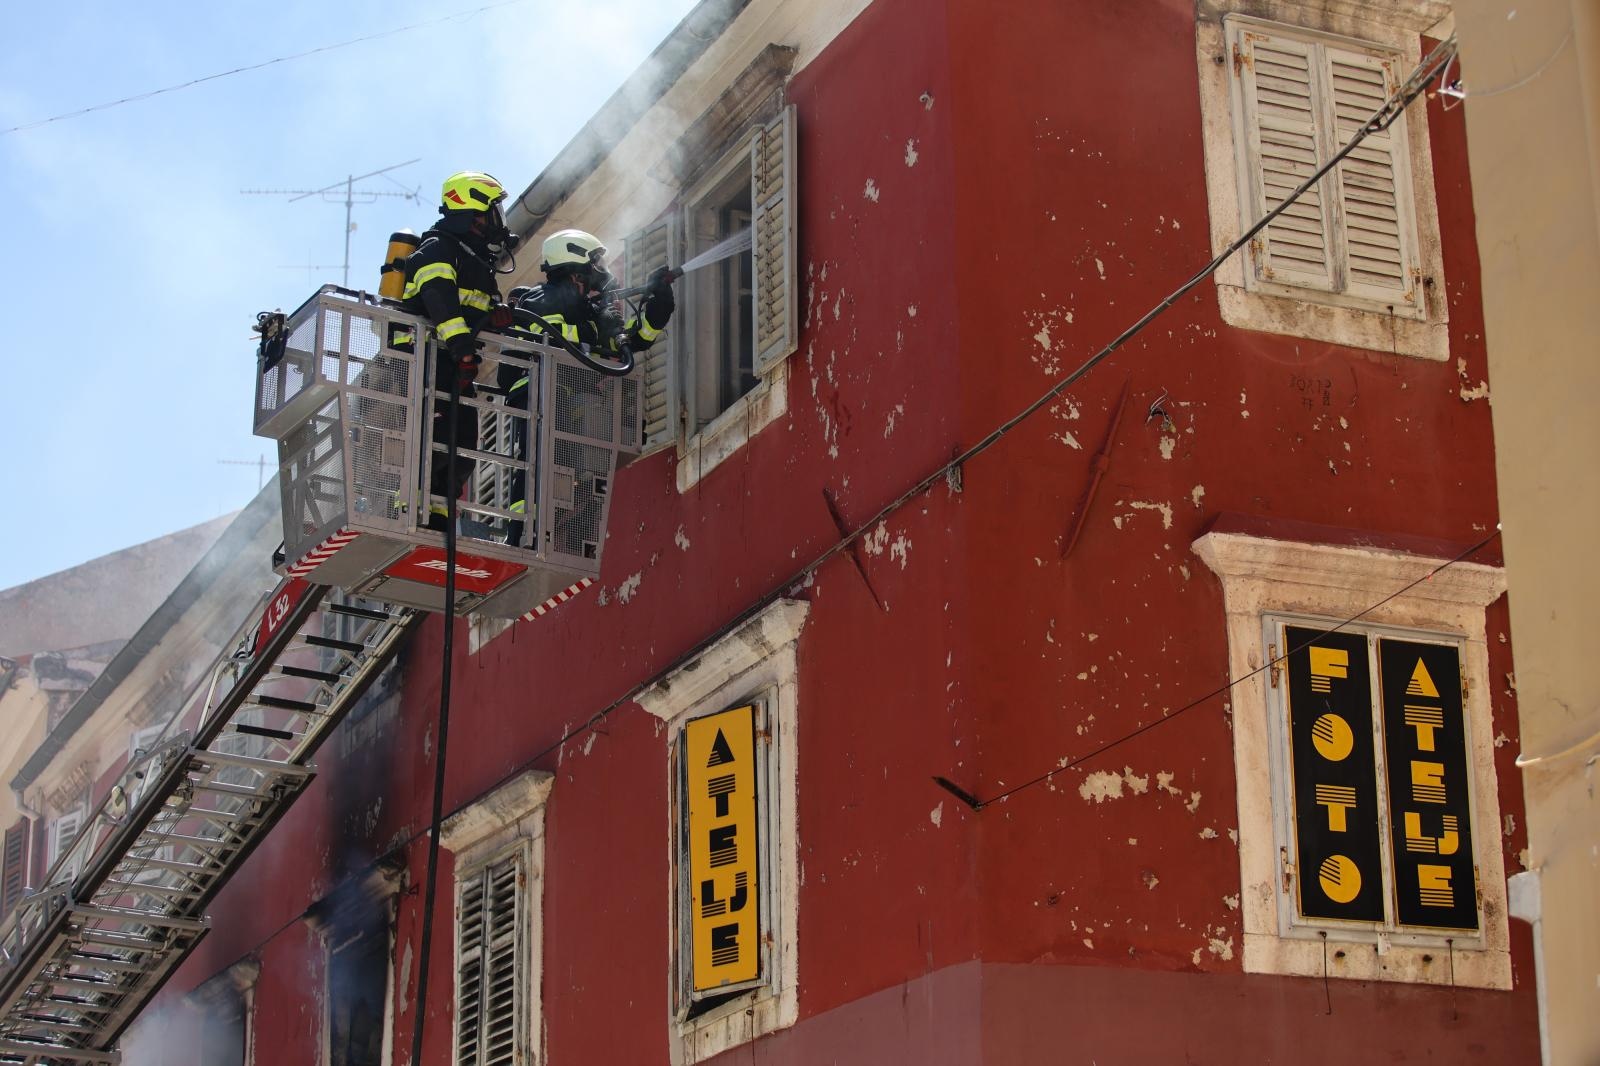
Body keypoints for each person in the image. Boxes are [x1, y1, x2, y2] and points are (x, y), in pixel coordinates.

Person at [496, 229, 675, 545]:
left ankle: (564, 525)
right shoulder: (542, 299)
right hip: (538, 389)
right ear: (574, 262)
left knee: (574, 465)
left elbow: (629, 346)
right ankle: (522, 532)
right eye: (595, 262)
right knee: (538, 459)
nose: (601, 270)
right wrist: (604, 312)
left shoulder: (588, 311)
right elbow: (572, 339)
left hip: (569, 392)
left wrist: (658, 308)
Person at [397, 171, 518, 530]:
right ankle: (406, 510)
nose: (498, 219)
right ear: (473, 212)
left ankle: (440, 516)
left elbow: (475, 309)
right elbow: (440, 301)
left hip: (453, 369)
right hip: (421, 366)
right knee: (428, 445)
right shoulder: (437, 249)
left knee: (462, 448)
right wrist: (463, 349)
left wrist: (496, 317)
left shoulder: (475, 261)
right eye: (493, 210)